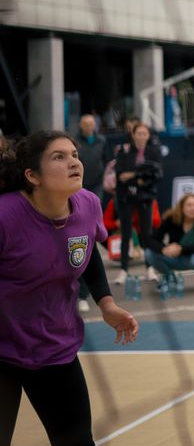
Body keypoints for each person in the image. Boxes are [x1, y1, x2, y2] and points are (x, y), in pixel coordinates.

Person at [0, 131, 138, 446]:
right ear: (32, 175)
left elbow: (86, 249)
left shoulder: (88, 204)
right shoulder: (6, 216)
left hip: (54, 350)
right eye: (59, 157)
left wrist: (106, 302)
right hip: (1, 354)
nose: (74, 161)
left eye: (75, 153)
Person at [113, 122, 162, 284]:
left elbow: (157, 173)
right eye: (139, 133)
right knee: (126, 233)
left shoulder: (153, 151)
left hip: (145, 196)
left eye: (144, 134)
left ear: (148, 136)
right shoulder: (124, 150)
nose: (142, 137)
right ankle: (123, 270)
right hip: (126, 196)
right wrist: (140, 175)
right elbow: (121, 175)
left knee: (147, 233)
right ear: (133, 135)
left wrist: (136, 176)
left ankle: (150, 268)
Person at [146, 193, 194, 290]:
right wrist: (164, 249)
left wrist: (181, 249)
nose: (192, 208)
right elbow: (151, 239)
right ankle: (169, 278)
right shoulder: (171, 219)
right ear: (182, 207)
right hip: (174, 257)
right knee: (149, 253)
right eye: (189, 205)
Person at [74, 115, 107, 312]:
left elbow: (107, 162)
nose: (88, 126)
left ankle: (83, 295)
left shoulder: (102, 141)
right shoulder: (75, 141)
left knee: (88, 244)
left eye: (91, 124)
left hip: (95, 189)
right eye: (84, 124)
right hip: (76, 192)